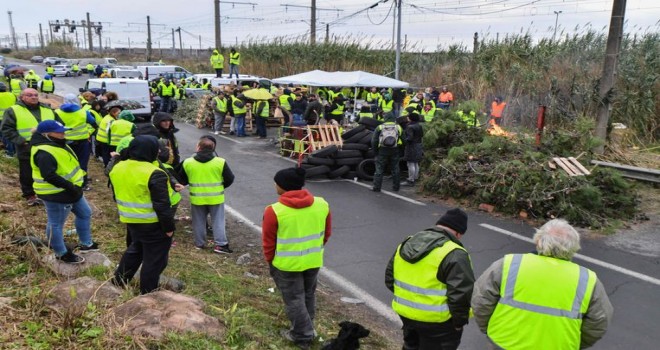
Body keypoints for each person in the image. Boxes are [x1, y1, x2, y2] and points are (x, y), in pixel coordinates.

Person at [471, 219, 613, 350]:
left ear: (538, 241)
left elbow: (481, 300)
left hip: (503, 343)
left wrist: (489, 329)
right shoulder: (587, 279)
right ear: (574, 248)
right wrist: (575, 342)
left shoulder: (510, 264)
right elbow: (599, 321)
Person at [262, 167, 332, 350]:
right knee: (308, 294)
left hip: (286, 265)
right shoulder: (321, 204)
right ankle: (308, 327)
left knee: (294, 299)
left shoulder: (274, 211)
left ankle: (302, 334)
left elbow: (269, 242)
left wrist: (270, 261)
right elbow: (326, 233)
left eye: (276, 182)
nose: (274, 185)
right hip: (313, 260)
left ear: (283, 187)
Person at [385, 208, 474, 350]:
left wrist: (409, 301)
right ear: (458, 232)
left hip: (406, 315)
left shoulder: (407, 242)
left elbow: (389, 279)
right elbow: (461, 295)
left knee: (410, 346)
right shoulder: (454, 253)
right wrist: (459, 322)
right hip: (438, 323)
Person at [110, 135, 177, 295]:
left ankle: (118, 281)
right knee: (154, 261)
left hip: (130, 219)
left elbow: (115, 194)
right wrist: (169, 228)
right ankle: (148, 294)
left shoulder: (118, 167)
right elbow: (162, 205)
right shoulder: (154, 172)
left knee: (136, 250)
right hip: (153, 223)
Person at [30, 120, 98, 264]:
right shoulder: (44, 151)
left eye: (63, 130)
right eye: (59, 131)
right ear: (46, 134)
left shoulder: (58, 144)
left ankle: (86, 244)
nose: (63, 133)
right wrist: (70, 186)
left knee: (85, 213)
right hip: (57, 193)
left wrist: (75, 186)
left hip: (72, 190)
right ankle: (61, 253)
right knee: (56, 224)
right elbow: (49, 175)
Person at [1, 88, 61, 205]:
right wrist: (21, 141)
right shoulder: (13, 110)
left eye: (35, 95)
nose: (33, 97)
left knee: (48, 169)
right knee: (27, 171)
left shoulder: (47, 109)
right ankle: (30, 195)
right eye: (29, 95)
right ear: (22, 97)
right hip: (27, 147)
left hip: (48, 145)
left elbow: (58, 124)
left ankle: (48, 193)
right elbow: (6, 129)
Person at [179, 136, 235, 253]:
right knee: (218, 221)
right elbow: (230, 178)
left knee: (198, 221)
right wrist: (220, 187)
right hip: (216, 198)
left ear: (198, 147)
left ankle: (200, 244)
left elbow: (181, 180)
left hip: (197, 198)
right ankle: (221, 245)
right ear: (213, 148)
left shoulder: (188, 162)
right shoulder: (220, 162)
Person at [56, 94, 97, 190]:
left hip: (64, 142)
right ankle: (83, 183)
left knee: (67, 162)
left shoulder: (57, 112)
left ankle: (69, 181)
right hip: (82, 141)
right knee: (82, 162)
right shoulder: (83, 112)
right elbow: (94, 124)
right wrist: (88, 133)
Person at [371, 112, 404, 192]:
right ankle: (396, 187)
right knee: (395, 168)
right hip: (395, 149)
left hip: (382, 150)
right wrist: (401, 150)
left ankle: (376, 187)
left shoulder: (380, 127)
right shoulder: (398, 127)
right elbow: (404, 140)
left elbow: (374, 140)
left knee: (379, 168)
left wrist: (375, 151)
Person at [402, 112, 423, 186]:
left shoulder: (410, 127)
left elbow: (410, 138)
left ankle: (410, 180)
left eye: (408, 117)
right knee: (416, 163)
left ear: (411, 118)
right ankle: (415, 178)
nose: (407, 118)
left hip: (411, 146)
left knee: (410, 163)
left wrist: (403, 141)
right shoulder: (419, 126)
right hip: (419, 145)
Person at [0, 82, 18, 157]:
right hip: (12, 117)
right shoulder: (12, 95)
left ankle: (10, 153)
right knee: (11, 134)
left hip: (1, 118)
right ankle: (14, 151)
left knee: (5, 135)